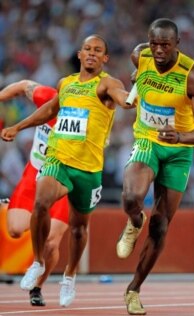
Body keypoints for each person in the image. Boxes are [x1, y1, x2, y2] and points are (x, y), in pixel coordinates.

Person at [1, 34, 135, 307]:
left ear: (105, 58)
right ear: (79, 54)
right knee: (40, 204)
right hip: (57, 161)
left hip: (88, 170)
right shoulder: (65, 84)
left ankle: (69, 276)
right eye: (87, 49)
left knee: (78, 230)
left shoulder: (108, 84)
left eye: (98, 50)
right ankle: (37, 263)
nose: (92, 53)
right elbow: (47, 110)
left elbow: (123, 99)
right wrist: (17, 127)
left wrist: (132, 96)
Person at [116, 18, 194, 315]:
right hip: (147, 139)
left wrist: (182, 135)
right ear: (148, 41)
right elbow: (139, 72)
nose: (158, 50)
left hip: (179, 150)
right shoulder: (140, 55)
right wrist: (138, 79)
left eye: (165, 45)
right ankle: (134, 222)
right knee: (131, 198)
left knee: (160, 227)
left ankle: (133, 290)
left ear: (177, 45)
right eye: (154, 43)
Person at [0, 80, 69, 306]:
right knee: (15, 230)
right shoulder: (46, 96)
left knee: (51, 242)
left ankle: (37, 287)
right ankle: (24, 211)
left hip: (64, 182)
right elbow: (22, 86)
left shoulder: (88, 115)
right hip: (34, 175)